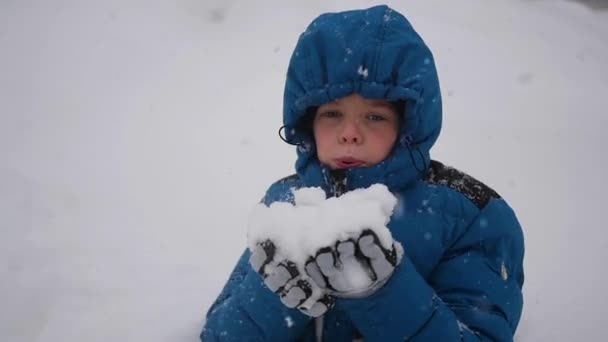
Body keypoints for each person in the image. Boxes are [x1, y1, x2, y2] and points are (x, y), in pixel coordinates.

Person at [200, 5, 524, 341]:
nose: (349, 133)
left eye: (374, 117)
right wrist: (273, 298)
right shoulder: (283, 203)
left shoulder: (469, 216)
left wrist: (382, 293)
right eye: (332, 113)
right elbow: (217, 336)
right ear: (307, 123)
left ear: (408, 125)